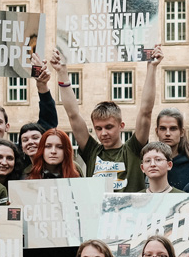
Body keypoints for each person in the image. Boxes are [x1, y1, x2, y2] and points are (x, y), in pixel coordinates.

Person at [52, 47, 152, 192]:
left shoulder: (133, 149)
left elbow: (146, 111)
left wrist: (152, 67)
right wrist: (62, 73)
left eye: (109, 127)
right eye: (98, 128)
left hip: (130, 213)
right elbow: (73, 114)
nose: (103, 133)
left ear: (121, 125)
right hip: (98, 213)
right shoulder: (92, 151)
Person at [153, 108, 189, 192]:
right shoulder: (149, 163)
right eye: (163, 128)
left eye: (173, 128)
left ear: (182, 132)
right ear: (157, 131)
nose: (167, 133)